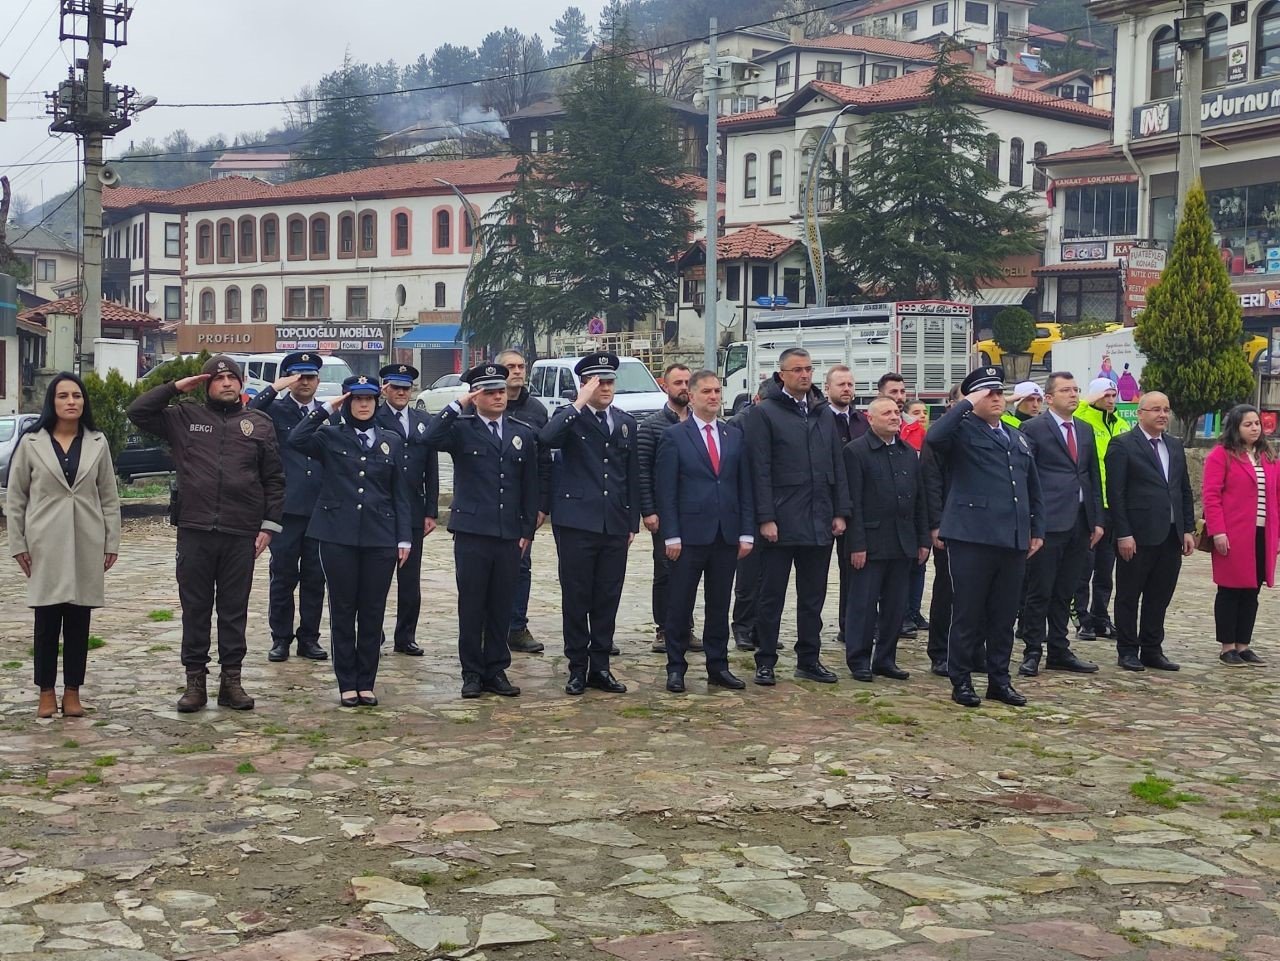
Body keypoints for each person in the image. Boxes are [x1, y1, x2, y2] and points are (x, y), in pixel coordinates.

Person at [128, 355, 285, 713]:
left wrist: (269, 526)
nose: (227, 383)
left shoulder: (258, 423)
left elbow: (274, 479)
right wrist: (176, 387)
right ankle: (194, 681)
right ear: (207, 384)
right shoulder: (185, 417)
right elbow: (138, 412)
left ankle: (232, 680)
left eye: (233, 378)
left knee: (233, 610)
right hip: (196, 529)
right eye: (218, 378)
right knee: (195, 609)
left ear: (242, 384)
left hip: (240, 532)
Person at [289, 375, 412, 706]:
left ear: (376, 403)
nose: (363, 404)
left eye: (369, 399)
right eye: (356, 399)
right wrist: (328, 407)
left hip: (380, 536)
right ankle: (347, 682)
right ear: (348, 401)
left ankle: (366, 681)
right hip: (336, 534)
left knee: (372, 611)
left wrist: (404, 537)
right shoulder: (330, 436)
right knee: (343, 610)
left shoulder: (391, 439)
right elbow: (296, 440)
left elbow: (400, 491)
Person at [926, 366, 1043, 708]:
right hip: (972, 537)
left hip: (1012, 537)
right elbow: (934, 439)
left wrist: (1037, 528)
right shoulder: (961, 430)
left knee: (1004, 615)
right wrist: (965, 403)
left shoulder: (1016, 435)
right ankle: (961, 681)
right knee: (967, 613)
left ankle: (999, 680)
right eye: (988, 393)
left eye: (999, 392)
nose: (996, 398)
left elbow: (1031, 485)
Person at [7, 373, 121, 718]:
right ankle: (45, 692)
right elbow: (15, 499)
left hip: (87, 539)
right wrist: (18, 544)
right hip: (44, 542)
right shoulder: (32, 443)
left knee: (78, 621)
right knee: (46, 622)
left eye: (77, 396)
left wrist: (110, 540)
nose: (71, 401)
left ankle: (72, 692)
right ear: (52, 402)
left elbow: (109, 497)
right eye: (63, 396)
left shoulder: (97, 442)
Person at [426, 362, 539, 699]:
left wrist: (527, 529)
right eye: (489, 392)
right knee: (472, 604)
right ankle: (472, 672)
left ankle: (497, 669)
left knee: (501, 605)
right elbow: (427, 438)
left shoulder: (521, 432)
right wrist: (456, 405)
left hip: (508, 533)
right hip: (473, 530)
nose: (498, 397)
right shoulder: (462, 428)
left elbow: (530, 485)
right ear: (475, 397)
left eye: (501, 391)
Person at [745, 348, 849, 686]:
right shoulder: (766, 413)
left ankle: (809, 658)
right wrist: (765, 517)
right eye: (797, 370)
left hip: (819, 519)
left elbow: (837, 464)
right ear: (782, 375)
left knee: (813, 597)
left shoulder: (822, 413)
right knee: (771, 595)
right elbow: (759, 469)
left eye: (809, 369)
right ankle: (765, 660)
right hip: (781, 519)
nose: (805, 375)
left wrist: (839, 511)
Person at [541, 353, 640, 696]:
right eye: (598, 383)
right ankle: (577, 668)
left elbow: (630, 475)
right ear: (585, 385)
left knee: (607, 597)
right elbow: (547, 438)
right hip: (576, 524)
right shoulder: (569, 418)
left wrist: (632, 521)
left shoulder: (625, 422)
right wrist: (578, 404)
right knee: (577, 596)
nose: (606, 388)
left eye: (610, 382)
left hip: (613, 522)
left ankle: (600, 665)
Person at [655, 370, 754, 693]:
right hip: (688, 536)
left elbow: (743, 487)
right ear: (693, 397)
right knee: (680, 604)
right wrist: (671, 534)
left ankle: (718, 665)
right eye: (707, 392)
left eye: (717, 391)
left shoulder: (733, 436)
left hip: (725, 535)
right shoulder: (675, 436)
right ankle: (676, 667)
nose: (713, 397)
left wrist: (746, 532)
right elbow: (666, 490)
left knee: (718, 604)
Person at [248, 352, 334, 663]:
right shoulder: (276, 410)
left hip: (320, 508)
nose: (305, 382)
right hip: (286, 508)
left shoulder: (328, 413)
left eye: (310, 376)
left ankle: (309, 638)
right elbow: (248, 413)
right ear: (289, 379)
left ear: (318, 380)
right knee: (283, 576)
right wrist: (276, 386)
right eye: (299, 376)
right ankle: (280, 638)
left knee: (315, 577)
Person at [1016, 373, 1103, 678]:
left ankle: (1059, 649)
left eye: (1076, 389)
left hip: (1079, 522)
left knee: (1066, 589)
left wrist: (1097, 520)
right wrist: (1030, 522)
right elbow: (1026, 477)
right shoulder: (1033, 429)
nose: (1074, 394)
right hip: (1048, 521)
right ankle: (1032, 650)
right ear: (1049, 398)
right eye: (1066, 390)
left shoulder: (1085, 429)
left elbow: (1092, 477)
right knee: (1040, 589)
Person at [1105, 391, 1195, 672]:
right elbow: (1116, 494)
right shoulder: (1123, 445)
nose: (1162, 415)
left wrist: (1188, 529)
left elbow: (1183, 490)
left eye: (1166, 409)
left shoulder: (1174, 445)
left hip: (1170, 534)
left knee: (1160, 595)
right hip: (1137, 535)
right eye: (1155, 409)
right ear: (1140, 413)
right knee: (1129, 595)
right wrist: (1123, 533)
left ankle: (1152, 648)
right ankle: (1128, 649)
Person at [841, 397, 929, 682]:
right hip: (870, 542)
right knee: (864, 606)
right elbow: (851, 501)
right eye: (886, 413)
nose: (894, 417)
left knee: (895, 606)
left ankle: (885, 658)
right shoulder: (855, 452)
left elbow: (919, 500)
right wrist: (856, 544)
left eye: (896, 412)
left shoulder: (907, 452)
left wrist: (923, 539)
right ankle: (859, 659)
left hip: (903, 541)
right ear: (870, 418)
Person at [1202, 404, 1278, 666]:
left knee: (1251, 591)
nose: (1255, 428)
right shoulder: (1221, 455)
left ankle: (1244, 644)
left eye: (1257, 423)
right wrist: (1218, 531)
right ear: (1235, 427)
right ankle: (1227, 647)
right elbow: (1211, 496)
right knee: (1230, 590)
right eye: (1248, 424)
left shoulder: (1268, 456)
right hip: (1233, 533)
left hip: (1262, 534)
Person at [375, 362, 439, 657]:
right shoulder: (374, 416)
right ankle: (374, 631)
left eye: (406, 388)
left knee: (410, 578)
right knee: (378, 576)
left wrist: (431, 510)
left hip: (413, 507)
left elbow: (431, 467)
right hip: (381, 506)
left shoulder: (423, 420)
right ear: (385, 388)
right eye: (396, 387)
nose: (401, 392)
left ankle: (406, 635)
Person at [638, 364, 699, 654]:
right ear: (666, 386)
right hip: (664, 512)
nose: (684, 387)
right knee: (665, 570)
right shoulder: (652, 426)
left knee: (691, 570)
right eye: (678, 382)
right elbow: (643, 472)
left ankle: (685, 627)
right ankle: (664, 628)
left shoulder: (701, 422)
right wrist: (648, 510)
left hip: (696, 511)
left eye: (688, 381)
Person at [497, 348, 550, 655]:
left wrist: (542, 504)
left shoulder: (536, 410)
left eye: (520, 366)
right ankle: (486, 627)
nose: (517, 371)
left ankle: (516, 626)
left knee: (521, 565)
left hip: (522, 502)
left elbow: (545, 461)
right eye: (510, 367)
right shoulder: (485, 403)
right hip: (490, 501)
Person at [1073, 378, 1128, 641]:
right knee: (1085, 564)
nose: (1111, 399)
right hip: (1092, 504)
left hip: (1115, 504)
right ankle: (1082, 617)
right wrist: (1087, 401)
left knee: (1106, 567)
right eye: (1106, 394)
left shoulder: (1121, 424)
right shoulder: (1083, 420)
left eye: (1113, 394)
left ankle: (1100, 616)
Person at [922, 385, 965, 678]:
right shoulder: (941, 435)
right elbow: (931, 481)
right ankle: (940, 650)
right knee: (947, 589)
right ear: (953, 404)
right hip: (949, 523)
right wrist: (935, 523)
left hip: (979, 525)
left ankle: (970, 649)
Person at [826, 364, 867, 643]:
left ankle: (849, 625)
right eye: (841, 384)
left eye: (850, 384)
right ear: (828, 388)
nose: (847, 389)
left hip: (857, 504)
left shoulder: (861, 421)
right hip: (823, 504)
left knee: (853, 568)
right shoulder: (820, 419)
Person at [730, 380, 770, 652]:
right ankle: (743, 626)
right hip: (748, 506)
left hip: (774, 505)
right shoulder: (740, 423)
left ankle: (763, 627)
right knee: (748, 574)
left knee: (769, 576)